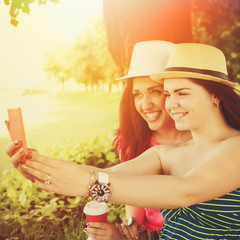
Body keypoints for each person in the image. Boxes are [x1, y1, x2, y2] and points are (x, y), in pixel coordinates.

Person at [6, 43, 240, 240]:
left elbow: (187, 191)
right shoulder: (164, 154)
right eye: (168, 94)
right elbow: (107, 174)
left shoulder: (235, 146)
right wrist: (38, 168)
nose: (171, 104)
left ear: (215, 94)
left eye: (183, 93)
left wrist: (88, 183)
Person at [113, 40, 191, 239]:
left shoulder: (200, 136)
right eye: (137, 95)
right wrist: (130, 224)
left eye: (155, 92)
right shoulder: (130, 141)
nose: (145, 105)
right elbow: (133, 196)